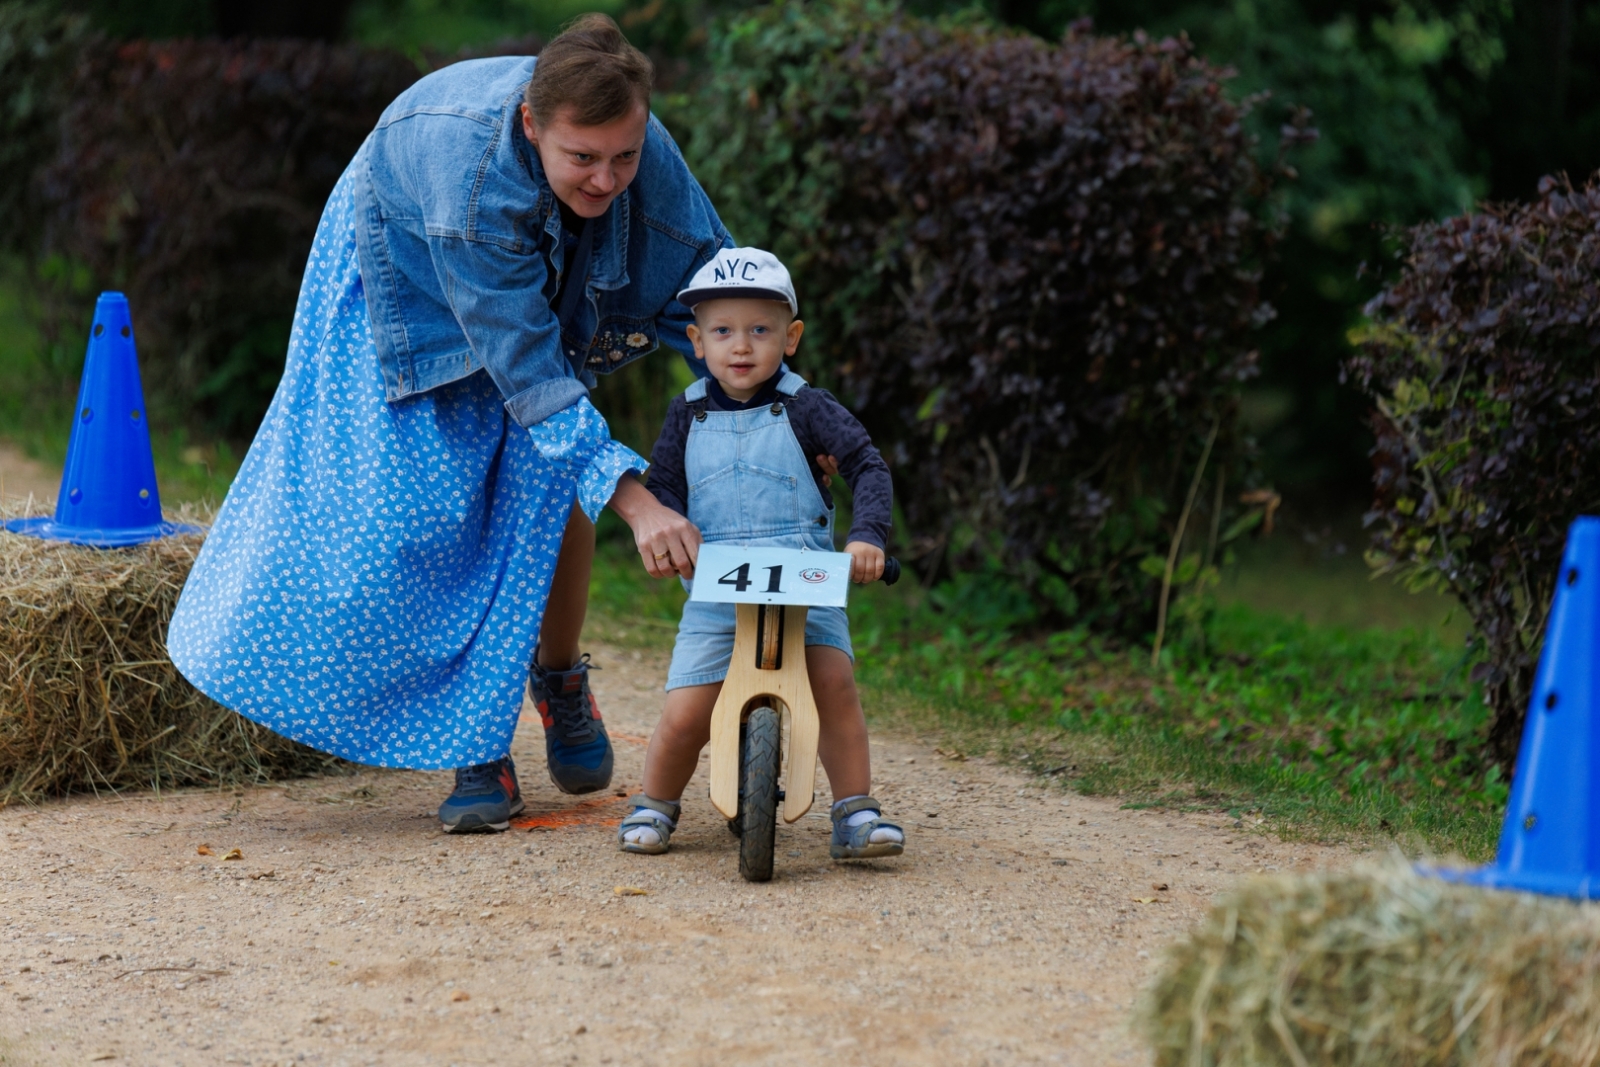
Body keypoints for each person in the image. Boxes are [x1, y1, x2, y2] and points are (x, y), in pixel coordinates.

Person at [167, 16, 721, 832]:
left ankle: (559, 679)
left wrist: (786, 409)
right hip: (408, 255)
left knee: (544, 478)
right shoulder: (470, 182)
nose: (608, 180)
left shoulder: (628, 143)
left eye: (624, 157)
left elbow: (722, 286)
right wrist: (637, 499)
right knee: (438, 505)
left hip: (527, 260)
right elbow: (529, 372)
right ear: (533, 126)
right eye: (584, 158)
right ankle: (479, 753)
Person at [616, 248, 907, 860]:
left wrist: (867, 537)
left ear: (791, 337)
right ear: (696, 340)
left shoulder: (809, 408)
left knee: (834, 684)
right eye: (722, 331)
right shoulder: (687, 412)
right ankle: (655, 803)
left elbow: (866, 465)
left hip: (804, 577)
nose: (740, 347)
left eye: (759, 331)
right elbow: (665, 486)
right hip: (719, 585)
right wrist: (667, 529)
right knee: (687, 708)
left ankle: (855, 811)